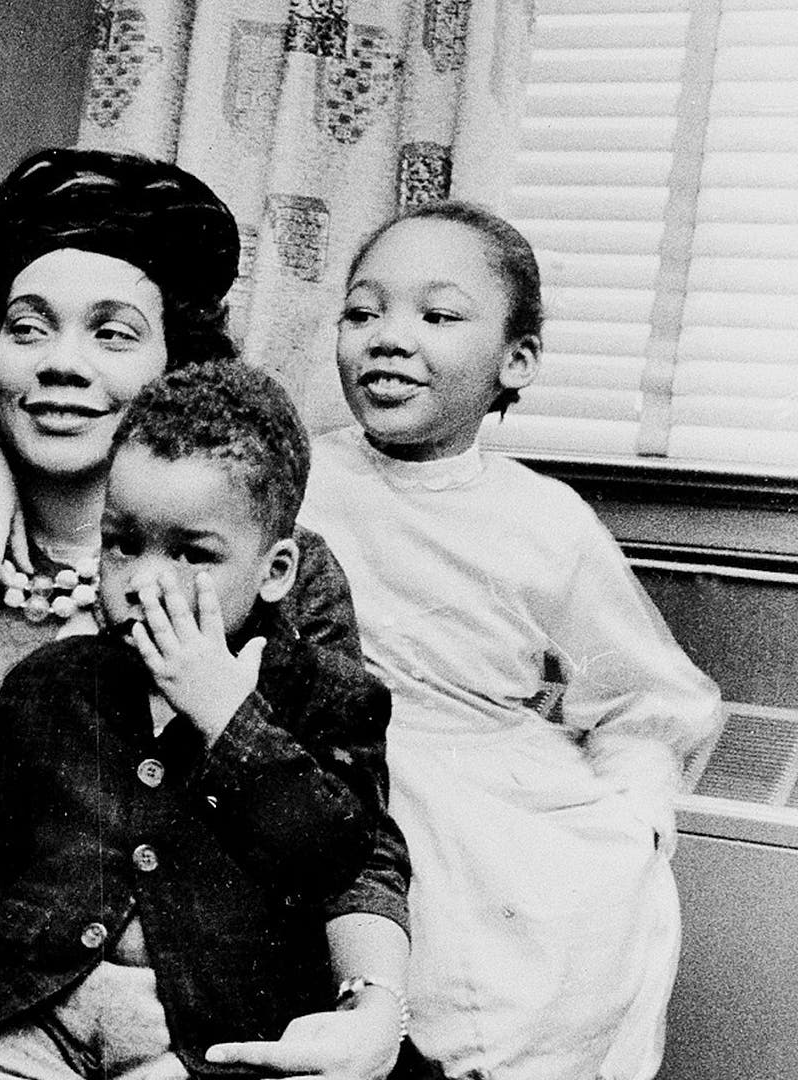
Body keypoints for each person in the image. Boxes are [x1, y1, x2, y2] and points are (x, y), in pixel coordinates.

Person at [0, 149, 415, 1080]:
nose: (62, 364)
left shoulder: (282, 580)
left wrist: (372, 1009)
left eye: (114, 334)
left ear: (175, 369)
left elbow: (355, 838)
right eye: (28, 329)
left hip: (185, 1013)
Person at [299, 200, 722, 1080]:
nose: (387, 337)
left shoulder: (544, 520)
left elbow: (652, 695)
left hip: (487, 814)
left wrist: (630, 817)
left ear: (516, 360)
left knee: (502, 1015)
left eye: (438, 315)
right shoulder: (295, 473)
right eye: (362, 311)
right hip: (318, 776)